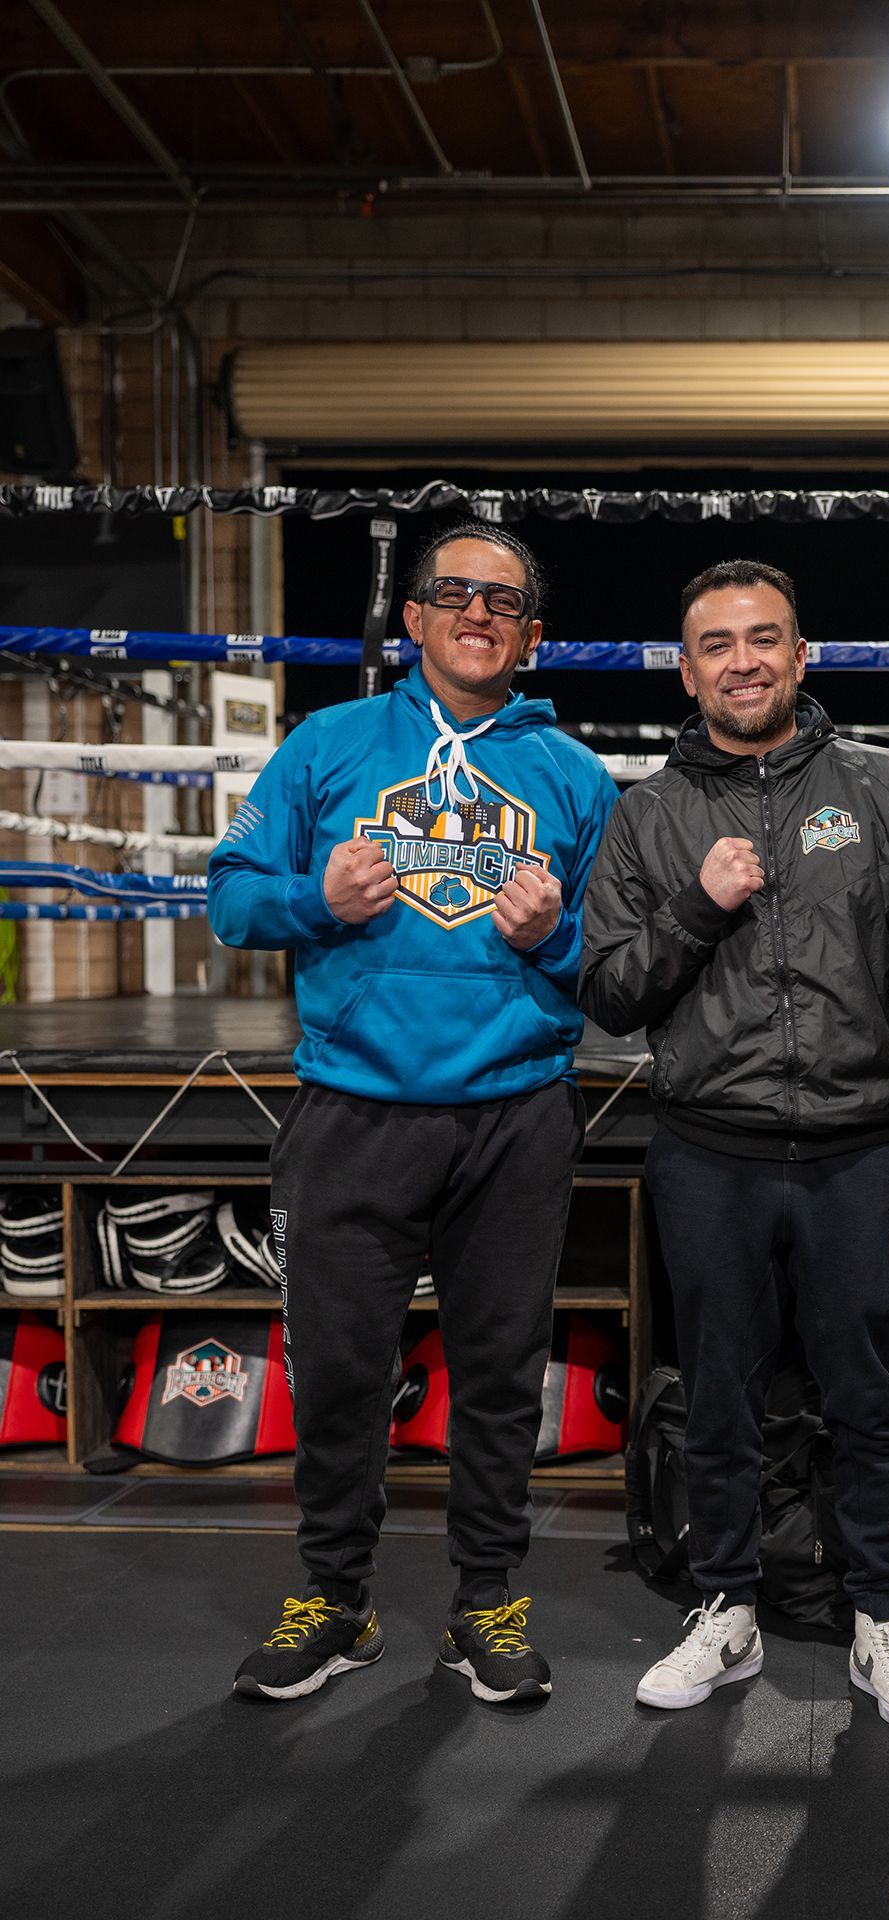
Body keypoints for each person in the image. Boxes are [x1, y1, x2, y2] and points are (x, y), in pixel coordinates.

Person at [208, 522, 617, 1704]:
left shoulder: (576, 777)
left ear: (532, 637)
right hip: (353, 1113)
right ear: (417, 620)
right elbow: (232, 901)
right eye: (454, 591)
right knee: (338, 1374)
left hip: (516, 1116)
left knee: (500, 1376)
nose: (477, 612)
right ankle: (334, 1604)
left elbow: (618, 966)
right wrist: (313, 896)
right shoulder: (328, 743)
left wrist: (560, 937)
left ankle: (485, 1601)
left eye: (503, 600)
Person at [580, 559, 889, 1731]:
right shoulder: (649, 813)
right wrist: (697, 906)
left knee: (867, 1395)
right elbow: (606, 991)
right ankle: (725, 1607)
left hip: (864, 1146)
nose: (743, 660)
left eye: (766, 639)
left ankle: (880, 1618)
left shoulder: (883, 786)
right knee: (718, 1395)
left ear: (801, 656)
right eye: (717, 642)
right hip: (710, 1150)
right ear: (688, 667)